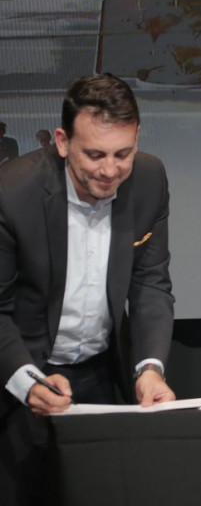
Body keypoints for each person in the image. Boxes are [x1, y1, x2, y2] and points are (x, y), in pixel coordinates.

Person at [0, 74, 176, 505]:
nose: (110, 170)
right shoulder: (11, 193)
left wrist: (149, 367)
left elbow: (150, 281)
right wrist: (27, 381)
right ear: (61, 141)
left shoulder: (149, 178)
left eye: (123, 153)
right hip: (19, 374)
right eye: (95, 154)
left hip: (101, 374)